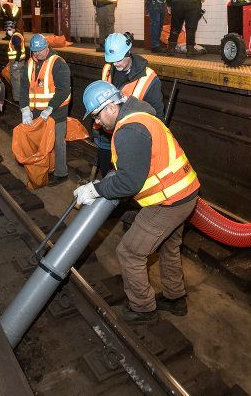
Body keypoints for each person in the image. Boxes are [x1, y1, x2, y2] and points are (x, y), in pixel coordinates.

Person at [74, 81, 200, 323]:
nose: (97, 122)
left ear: (111, 107)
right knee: (168, 246)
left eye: (98, 115)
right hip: (185, 194)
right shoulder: (141, 116)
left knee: (130, 252)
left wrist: (95, 189)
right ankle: (175, 299)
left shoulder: (130, 131)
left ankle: (143, 308)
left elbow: (128, 183)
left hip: (168, 202)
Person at [95, 32, 164, 177]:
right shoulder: (108, 69)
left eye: (119, 59)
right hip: (106, 137)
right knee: (107, 175)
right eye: (112, 60)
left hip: (130, 140)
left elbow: (158, 117)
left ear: (129, 52)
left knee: (125, 180)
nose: (115, 64)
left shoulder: (149, 78)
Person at [19, 34, 72, 186]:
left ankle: (61, 173)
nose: (38, 54)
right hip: (36, 112)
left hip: (56, 112)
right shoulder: (30, 63)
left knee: (57, 143)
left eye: (40, 50)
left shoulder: (58, 63)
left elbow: (64, 90)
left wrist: (50, 107)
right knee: (42, 143)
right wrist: (24, 109)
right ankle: (47, 169)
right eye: (35, 51)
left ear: (47, 47)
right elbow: (24, 87)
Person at [4, 21, 26, 103]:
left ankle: (17, 99)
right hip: (21, 62)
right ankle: (22, 96)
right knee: (20, 80)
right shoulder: (18, 35)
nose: (7, 31)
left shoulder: (15, 37)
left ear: (13, 28)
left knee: (16, 81)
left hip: (17, 62)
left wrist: (16, 62)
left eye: (9, 29)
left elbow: (19, 51)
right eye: (7, 29)